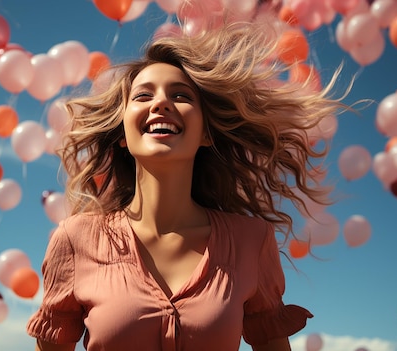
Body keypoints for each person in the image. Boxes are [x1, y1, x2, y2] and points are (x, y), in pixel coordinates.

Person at [26, 9, 347, 351]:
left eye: (180, 95)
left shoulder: (252, 242)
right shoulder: (75, 241)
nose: (161, 103)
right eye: (143, 96)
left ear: (206, 134)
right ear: (122, 133)